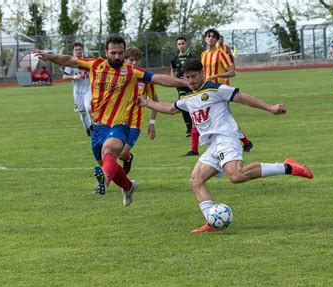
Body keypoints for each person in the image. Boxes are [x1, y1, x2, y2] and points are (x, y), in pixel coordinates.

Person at [138, 59, 313, 233]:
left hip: (227, 137)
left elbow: (242, 98)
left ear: (202, 74)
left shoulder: (215, 89)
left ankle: (287, 167)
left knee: (236, 175)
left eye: (194, 76)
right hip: (213, 144)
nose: (191, 81)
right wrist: (146, 103)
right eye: (187, 78)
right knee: (195, 180)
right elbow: (170, 108)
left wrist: (270, 108)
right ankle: (212, 221)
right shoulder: (187, 97)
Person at [31, 35, 187, 207]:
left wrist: (185, 83)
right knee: (107, 163)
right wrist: (48, 56)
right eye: (113, 53)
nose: (117, 57)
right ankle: (128, 186)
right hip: (97, 127)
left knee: (109, 151)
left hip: (119, 125)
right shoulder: (95, 65)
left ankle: (104, 180)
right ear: (106, 52)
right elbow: (69, 60)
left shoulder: (131, 72)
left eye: (120, 53)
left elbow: (159, 78)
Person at [185, 28, 253, 157]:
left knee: (223, 120)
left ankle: (245, 141)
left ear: (216, 39)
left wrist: (217, 74)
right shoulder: (203, 54)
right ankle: (194, 150)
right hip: (204, 90)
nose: (210, 38)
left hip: (219, 91)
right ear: (205, 38)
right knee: (197, 117)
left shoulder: (221, 53)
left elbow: (232, 72)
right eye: (208, 36)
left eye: (213, 36)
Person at [119, 47, 158, 175]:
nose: (134, 63)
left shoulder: (145, 78)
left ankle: (128, 157)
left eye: (137, 60)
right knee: (112, 151)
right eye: (131, 60)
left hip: (135, 123)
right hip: (118, 121)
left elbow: (155, 100)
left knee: (122, 154)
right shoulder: (118, 76)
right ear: (125, 60)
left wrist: (152, 122)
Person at [62, 42, 92, 137]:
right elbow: (64, 77)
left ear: (82, 50)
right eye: (76, 50)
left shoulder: (88, 61)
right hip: (78, 92)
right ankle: (87, 127)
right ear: (73, 51)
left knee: (89, 108)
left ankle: (92, 126)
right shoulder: (71, 63)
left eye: (80, 49)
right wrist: (75, 76)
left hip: (88, 89)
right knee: (82, 112)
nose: (78, 51)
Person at [170, 36, 197, 138]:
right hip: (181, 87)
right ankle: (189, 128)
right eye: (179, 44)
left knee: (193, 106)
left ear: (186, 44)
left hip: (191, 85)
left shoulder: (193, 58)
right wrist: (174, 80)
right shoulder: (174, 59)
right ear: (177, 46)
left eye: (183, 43)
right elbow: (172, 70)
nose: (181, 46)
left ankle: (197, 126)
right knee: (182, 104)